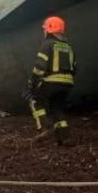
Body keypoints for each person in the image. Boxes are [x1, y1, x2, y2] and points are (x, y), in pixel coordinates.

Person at [25, 16, 76, 145]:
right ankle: (65, 138)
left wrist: (32, 85)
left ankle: (44, 129)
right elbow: (74, 67)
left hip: (52, 82)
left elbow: (39, 67)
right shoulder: (68, 47)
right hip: (67, 85)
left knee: (35, 100)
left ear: (49, 30)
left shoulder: (47, 45)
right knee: (57, 108)